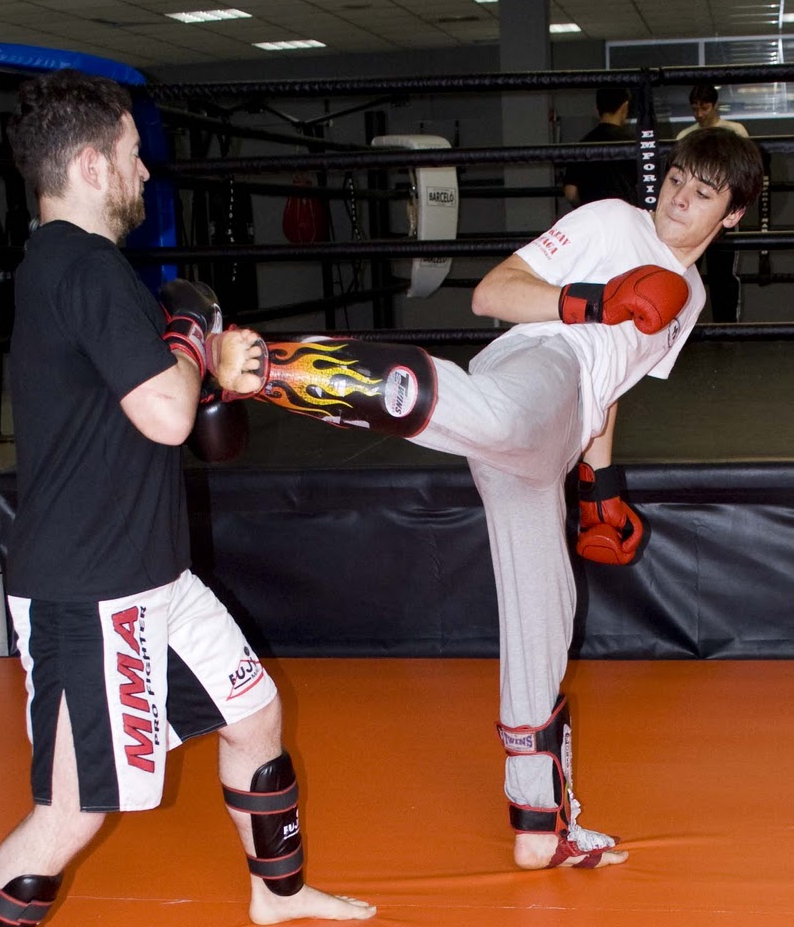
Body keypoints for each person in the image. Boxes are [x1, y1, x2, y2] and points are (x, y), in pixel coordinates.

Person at [0, 70, 374, 927]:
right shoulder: (81, 268)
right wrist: (197, 345)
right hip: (91, 589)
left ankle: (277, 890)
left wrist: (204, 354)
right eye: (130, 153)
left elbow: (161, 406)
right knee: (70, 810)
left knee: (252, 712)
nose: (141, 168)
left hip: (150, 572)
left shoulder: (73, 268)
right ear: (89, 165)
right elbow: (171, 414)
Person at [234, 129, 765, 871]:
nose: (678, 197)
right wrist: (593, 301)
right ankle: (279, 368)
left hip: (562, 429)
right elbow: (493, 292)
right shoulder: (613, 221)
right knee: (504, 416)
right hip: (538, 366)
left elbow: (608, 394)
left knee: (545, 618)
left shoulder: (693, 297)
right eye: (677, 177)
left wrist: (598, 494)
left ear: (732, 215)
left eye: (702, 193)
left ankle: (538, 823)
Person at [677, 84, 750, 322]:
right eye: (695, 108)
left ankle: (727, 327)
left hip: (721, 213)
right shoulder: (685, 136)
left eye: (704, 107)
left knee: (723, 273)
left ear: (715, 105)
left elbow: (745, 175)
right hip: (692, 215)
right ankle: (682, 326)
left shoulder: (734, 132)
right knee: (685, 269)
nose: (699, 113)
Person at [562, 85, 638, 207]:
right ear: (625, 107)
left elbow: (571, 193)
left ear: (597, 111)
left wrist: (586, 208)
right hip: (625, 216)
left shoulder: (583, 145)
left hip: (593, 217)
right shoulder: (634, 144)